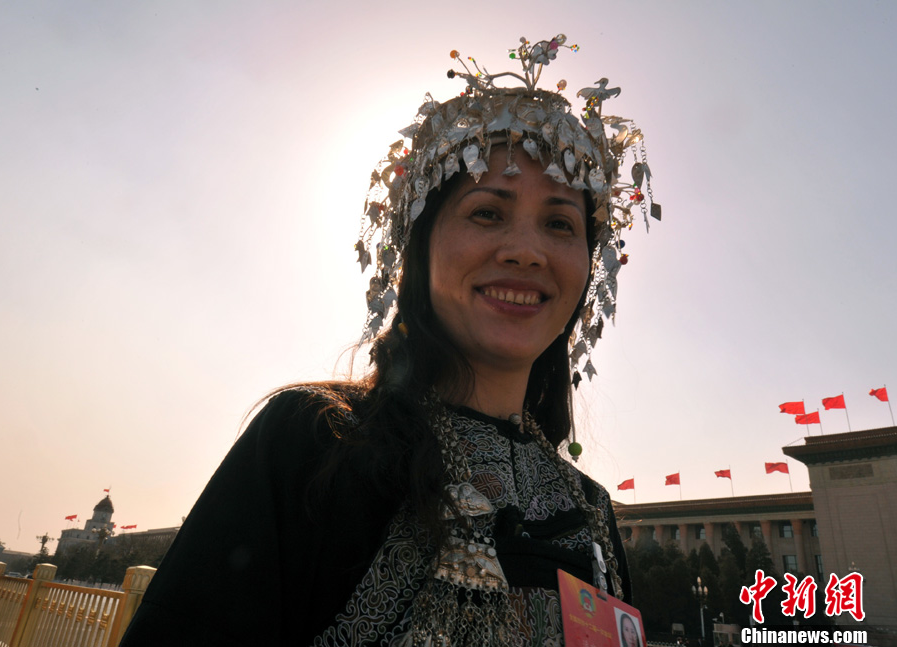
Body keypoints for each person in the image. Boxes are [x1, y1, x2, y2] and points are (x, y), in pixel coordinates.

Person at [120, 34, 659, 646]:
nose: (526, 252)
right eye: (487, 212)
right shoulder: (316, 443)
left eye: (560, 223)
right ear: (420, 248)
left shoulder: (590, 511)